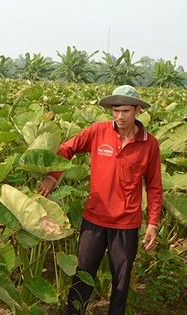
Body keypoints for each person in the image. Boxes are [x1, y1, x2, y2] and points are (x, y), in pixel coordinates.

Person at [38, 85, 163, 315]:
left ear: (137, 110)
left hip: (126, 223)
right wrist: (51, 177)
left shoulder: (150, 144)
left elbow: (154, 186)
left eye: (125, 111)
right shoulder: (98, 131)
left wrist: (153, 223)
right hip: (94, 218)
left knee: (121, 282)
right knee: (82, 275)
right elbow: (68, 148)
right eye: (115, 110)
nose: (119, 117)